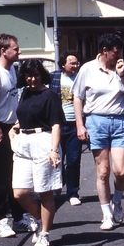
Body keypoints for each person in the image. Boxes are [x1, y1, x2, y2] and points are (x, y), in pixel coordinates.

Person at [72, 33, 124, 231]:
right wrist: (80, 125)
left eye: (120, 53)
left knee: (121, 171)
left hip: (119, 121)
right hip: (96, 121)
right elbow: (77, 97)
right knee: (103, 171)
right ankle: (106, 214)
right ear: (104, 51)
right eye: (115, 53)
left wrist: (123, 75)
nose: (118, 57)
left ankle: (117, 202)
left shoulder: (123, 68)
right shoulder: (87, 69)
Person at [0, 33, 38, 238]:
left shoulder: (12, 70)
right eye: (15, 48)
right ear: (4, 51)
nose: (19, 51)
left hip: (12, 128)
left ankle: (19, 218)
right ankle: (0, 221)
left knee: (16, 173)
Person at [9, 59, 63, 246]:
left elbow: (56, 123)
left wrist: (53, 150)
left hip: (44, 142)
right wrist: (15, 128)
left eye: (36, 75)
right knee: (20, 192)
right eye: (29, 75)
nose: (33, 79)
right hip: (24, 142)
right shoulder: (24, 94)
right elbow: (24, 116)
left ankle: (45, 234)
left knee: (44, 190)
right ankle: (41, 219)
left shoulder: (50, 95)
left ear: (42, 75)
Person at [51, 51, 83, 206]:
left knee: (73, 160)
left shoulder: (81, 78)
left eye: (77, 63)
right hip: (56, 125)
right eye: (72, 63)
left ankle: (72, 193)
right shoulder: (54, 78)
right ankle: (55, 188)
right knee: (55, 159)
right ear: (63, 64)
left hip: (74, 124)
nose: (75, 65)